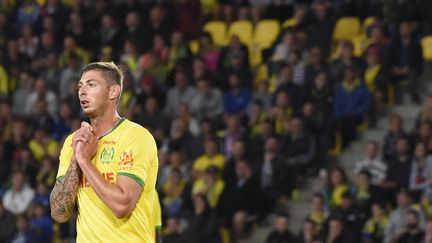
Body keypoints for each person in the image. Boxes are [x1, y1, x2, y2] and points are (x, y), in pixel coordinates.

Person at [50, 62, 159, 242]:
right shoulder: (74, 142)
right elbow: (59, 213)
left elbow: (122, 206)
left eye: (91, 85)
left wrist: (84, 161)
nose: (82, 91)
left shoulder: (135, 136)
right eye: (80, 86)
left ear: (113, 92)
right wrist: (75, 162)